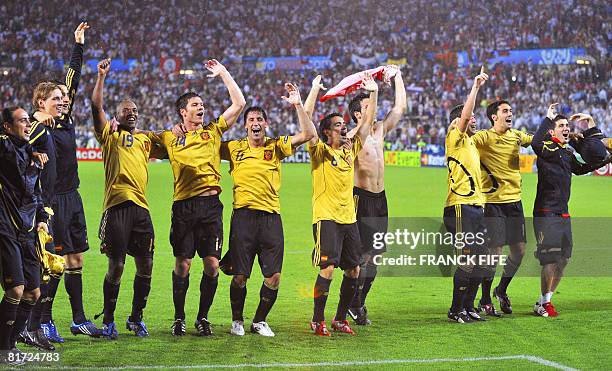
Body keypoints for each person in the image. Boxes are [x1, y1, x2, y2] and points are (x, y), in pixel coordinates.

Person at [148, 59, 245, 336]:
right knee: (183, 263)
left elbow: (239, 104)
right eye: (195, 104)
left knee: (212, 264)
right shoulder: (168, 136)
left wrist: (224, 73)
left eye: (202, 105)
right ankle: (179, 317)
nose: (201, 108)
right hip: (183, 206)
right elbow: (140, 140)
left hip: (210, 205)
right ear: (183, 112)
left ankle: (202, 318)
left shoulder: (212, 131)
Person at [219, 82, 316, 337]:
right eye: (251, 119)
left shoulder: (276, 146)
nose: (255, 122)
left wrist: (298, 104)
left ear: (266, 124)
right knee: (240, 276)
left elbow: (307, 134)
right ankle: (237, 320)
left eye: (260, 119)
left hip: (271, 218)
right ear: (245, 125)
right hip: (243, 217)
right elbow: (205, 144)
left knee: (273, 276)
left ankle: (259, 321)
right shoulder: (233, 148)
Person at [27, 21, 91, 344]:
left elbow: (73, 79)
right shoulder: (35, 128)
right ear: (41, 102)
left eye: (65, 97)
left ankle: (79, 319)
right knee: (53, 264)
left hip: (73, 198)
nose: (65, 100)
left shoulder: (64, 118)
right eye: (58, 97)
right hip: (50, 204)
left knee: (76, 259)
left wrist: (78, 46)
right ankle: (45, 321)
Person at [306, 73, 377, 336]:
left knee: (354, 269)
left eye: (343, 124)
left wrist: (373, 92)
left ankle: (339, 318)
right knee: (328, 268)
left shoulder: (349, 150)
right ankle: (317, 319)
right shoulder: (319, 151)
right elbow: (306, 122)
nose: (343, 127)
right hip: (326, 218)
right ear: (327, 132)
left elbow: (367, 124)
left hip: (349, 218)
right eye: (337, 125)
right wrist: (314, 90)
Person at [531, 104, 611, 317]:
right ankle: (545, 303)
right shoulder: (546, 148)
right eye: (561, 125)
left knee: (564, 259)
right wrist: (548, 118)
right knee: (550, 258)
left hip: (563, 213)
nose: (566, 128)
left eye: (567, 125)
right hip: (546, 212)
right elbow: (536, 143)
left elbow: (582, 167)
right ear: (552, 130)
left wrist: (606, 157)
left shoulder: (567, 153)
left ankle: (543, 300)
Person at [346, 65, 406, 325]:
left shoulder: (379, 130)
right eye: (368, 104)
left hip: (381, 200)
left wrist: (399, 78)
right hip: (362, 199)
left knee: (376, 256)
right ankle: (352, 304)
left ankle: (359, 301)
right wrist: (374, 89)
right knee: (361, 257)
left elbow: (400, 109)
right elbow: (365, 124)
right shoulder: (354, 136)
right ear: (358, 113)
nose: (374, 109)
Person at [471, 100, 533, 316]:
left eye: (511, 111)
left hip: (515, 202)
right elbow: (464, 140)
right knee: (494, 253)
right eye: (505, 111)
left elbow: (536, 140)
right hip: (492, 204)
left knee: (519, 251)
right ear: (494, 117)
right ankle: (485, 298)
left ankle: (501, 290)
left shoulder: (516, 135)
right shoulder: (484, 137)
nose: (510, 113)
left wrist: (565, 134)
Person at [0, 107, 49, 363]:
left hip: (28, 229)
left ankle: (10, 343)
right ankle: (3, 349)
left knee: (33, 293)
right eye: (23, 121)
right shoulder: (5, 147)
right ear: (7, 127)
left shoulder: (32, 154)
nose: (28, 124)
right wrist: (39, 119)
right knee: (16, 289)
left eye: (29, 120)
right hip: (6, 227)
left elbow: (35, 192)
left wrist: (42, 219)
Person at [443, 68, 489, 323]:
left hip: (476, 207)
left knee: (482, 259)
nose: (474, 121)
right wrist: (475, 88)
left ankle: (469, 306)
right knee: (468, 257)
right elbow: (464, 117)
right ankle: (455, 309)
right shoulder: (455, 137)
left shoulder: (471, 142)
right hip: (460, 206)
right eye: (470, 118)